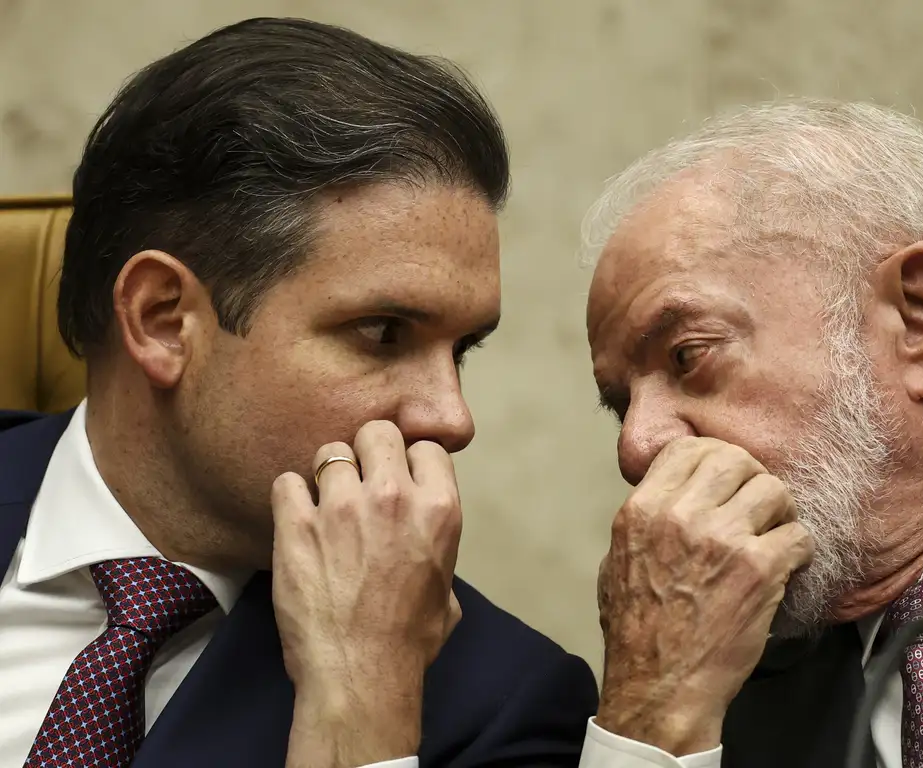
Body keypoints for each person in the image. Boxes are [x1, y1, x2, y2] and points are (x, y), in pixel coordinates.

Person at [0, 17, 600, 768]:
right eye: (384, 333)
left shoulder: (498, 705)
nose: (452, 419)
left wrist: (363, 703)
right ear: (163, 320)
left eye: (462, 350)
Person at [579, 99, 923, 768]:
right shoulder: (710, 705)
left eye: (687, 355)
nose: (636, 447)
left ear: (920, 319)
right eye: (621, 405)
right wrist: (655, 716)